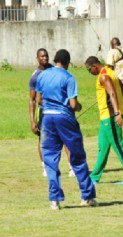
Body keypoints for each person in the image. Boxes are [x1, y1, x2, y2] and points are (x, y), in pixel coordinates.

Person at [36, 49, 97, 210]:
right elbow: (72, 104)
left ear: (55, 60)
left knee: (50, 158)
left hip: (47, 118)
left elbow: (39, 99)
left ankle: (54, 200)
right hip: (65, 118)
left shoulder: (43, 75)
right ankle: (87, 196)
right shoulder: (69, 77)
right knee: (77, 156)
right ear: (68, 63)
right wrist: (78, 107)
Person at [85, 56, 123, 185]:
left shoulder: (103, 76)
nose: (89, 73)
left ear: (95, 66)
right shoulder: (110, 72)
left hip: (111, 117)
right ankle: (94, 177)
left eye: (89, 70)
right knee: (102, 147)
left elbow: (113, 93)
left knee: (118, 145)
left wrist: (117, 113)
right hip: (104, 117)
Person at [28, 48, 75, 177]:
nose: (45, 58)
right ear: (37, 58)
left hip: (62, 111)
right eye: (42, 56)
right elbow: (33, 100)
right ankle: (46, 167)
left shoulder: (56, 70)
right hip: (45, 112)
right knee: (44, 139)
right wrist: (32, 120)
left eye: (47, 56)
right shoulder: (35, 77)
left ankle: (72, 167)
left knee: (66, 138)